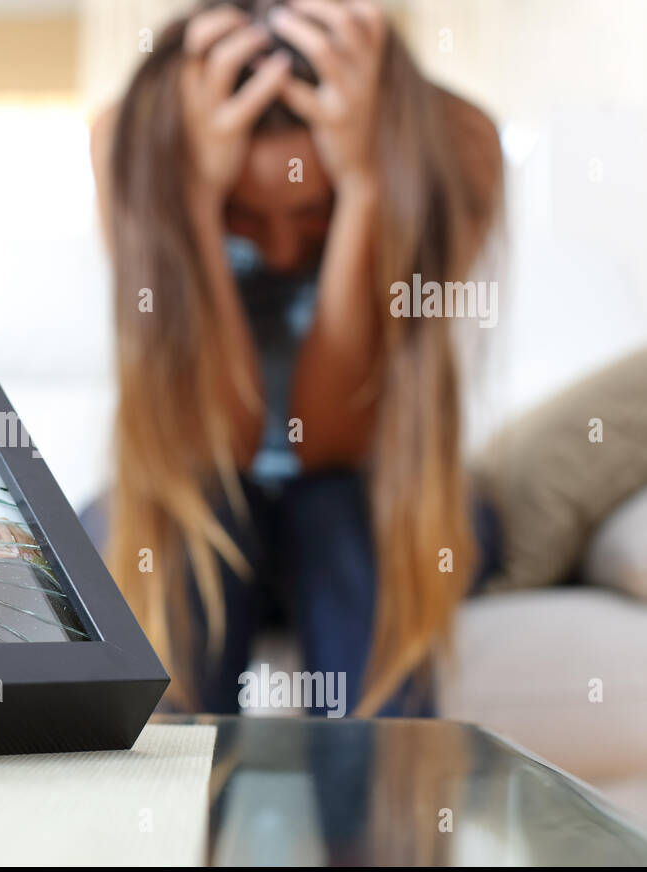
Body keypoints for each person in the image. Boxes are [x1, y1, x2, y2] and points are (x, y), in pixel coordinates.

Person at [82, 0, 503, 716]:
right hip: (201, 483)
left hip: (379, 486)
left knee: (334, 512)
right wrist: (188, 197)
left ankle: (381, 826)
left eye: (315, 213)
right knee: (187, 519)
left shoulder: (455, 141)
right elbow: (214, 439)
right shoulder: (133, 137)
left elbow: (332, 441)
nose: (279, 251)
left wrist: (370, 183)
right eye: (243, 217)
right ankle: (160, 820)